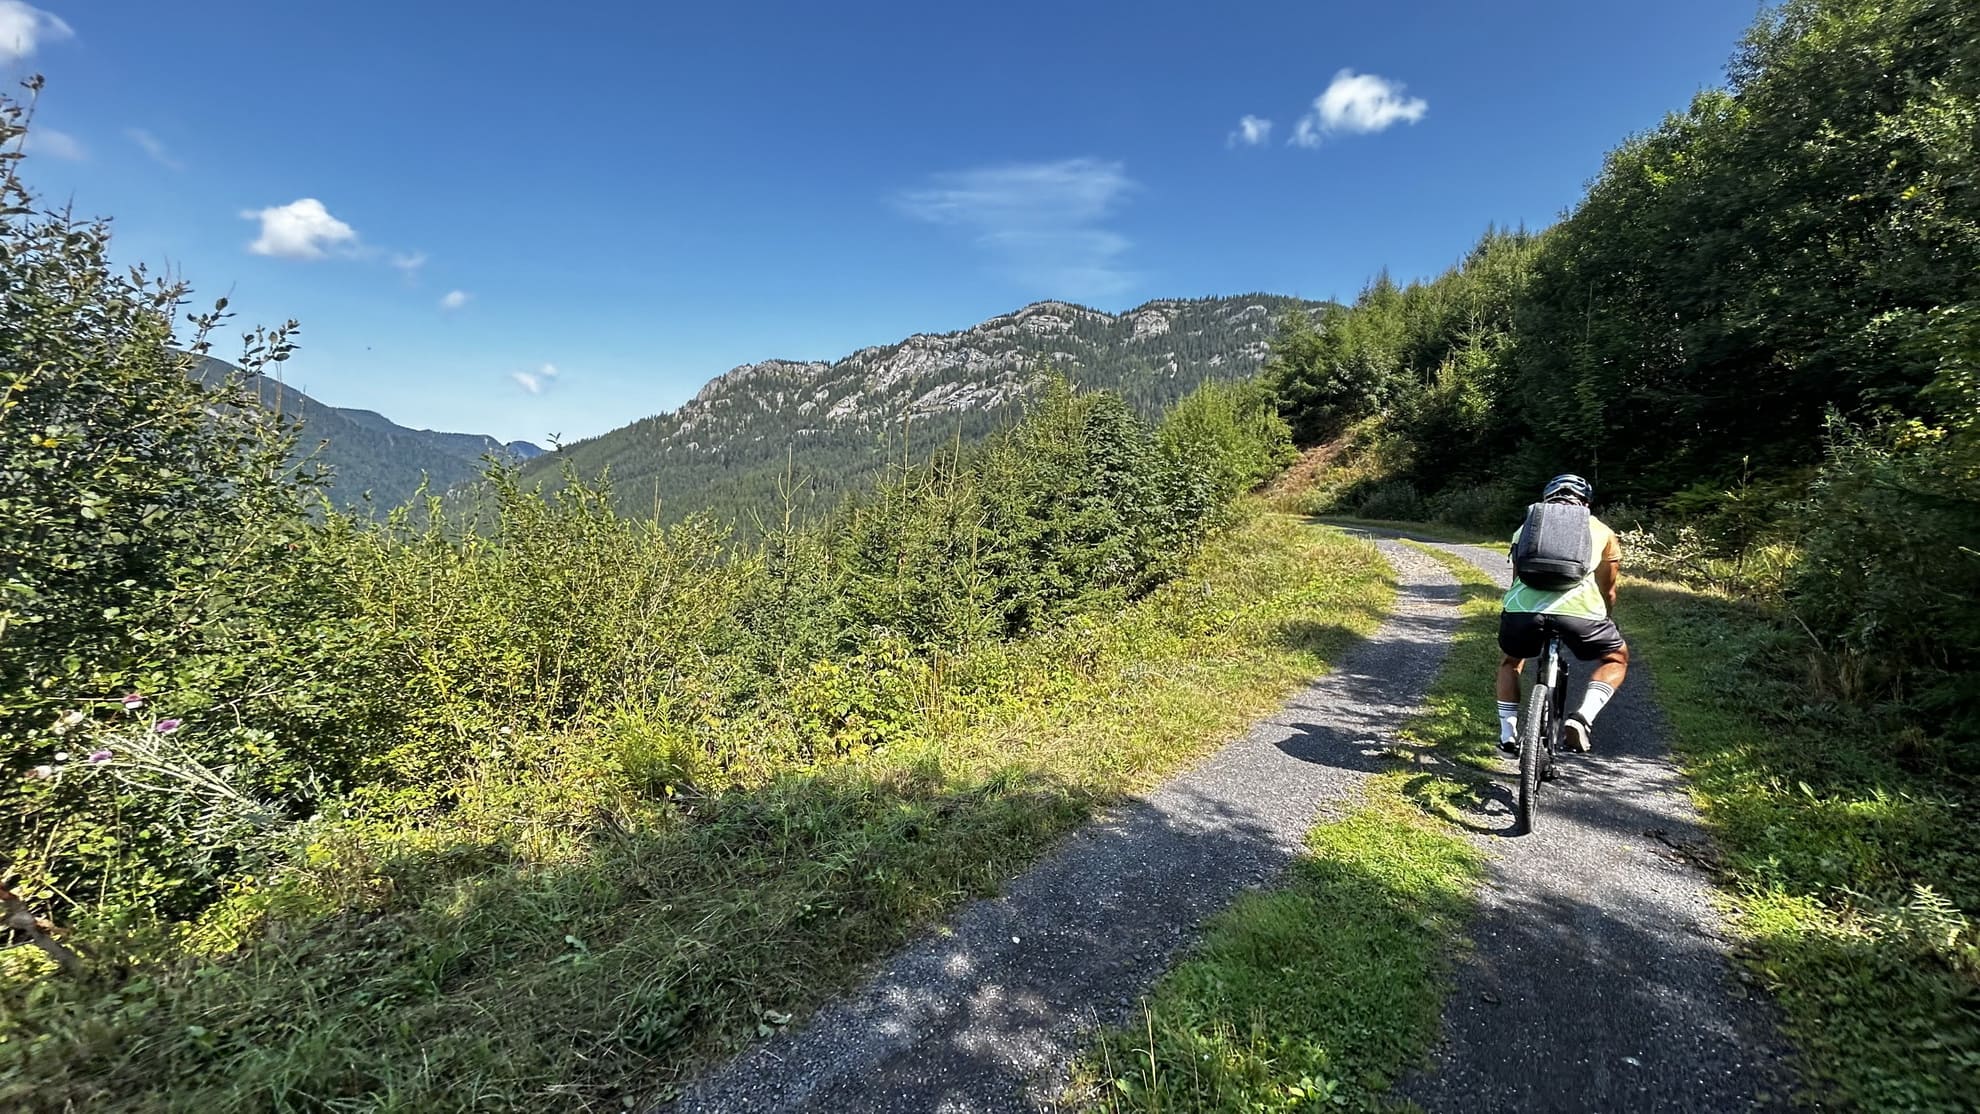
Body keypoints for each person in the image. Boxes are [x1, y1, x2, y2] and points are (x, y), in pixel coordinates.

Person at [1496, 473, 1627, 754]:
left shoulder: (1527, 528)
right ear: (1586, 502)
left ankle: (1507, 733)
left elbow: (1517, 579)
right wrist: (1607, 614)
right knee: (1617, 658)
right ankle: (1582, 718)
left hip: (1524, 612)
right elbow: (1609, 587)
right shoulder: (1601, 531)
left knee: (1510, 662)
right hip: (1581, 615)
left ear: (1547, 499)